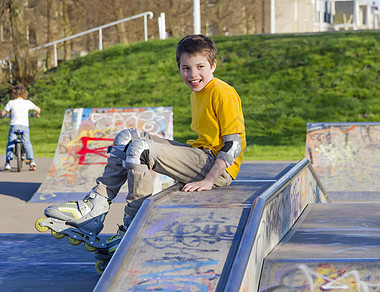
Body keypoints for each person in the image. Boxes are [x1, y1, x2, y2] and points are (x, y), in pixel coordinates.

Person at [39, 34, 246, 261]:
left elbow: (233, 144)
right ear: (179, 68)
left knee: (141, 149)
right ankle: (96, 208)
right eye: (186, 68)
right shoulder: (198, 93)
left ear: (213, 65)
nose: (193, 75)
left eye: (200, 67)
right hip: (200, 155)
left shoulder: (222, 92)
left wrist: (209, 180)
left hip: (216, 167)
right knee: (126, 137)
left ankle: (134, 226)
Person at [1, 85, 41, 171]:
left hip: (14, 126)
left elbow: (3, 112)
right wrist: (35, 114)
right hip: (24, 127)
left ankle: (8, 162)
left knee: (11, 143)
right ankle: (32, 161)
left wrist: (1, 116)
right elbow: (38, 109)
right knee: (27, 143)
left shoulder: (11, 102)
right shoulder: (27, 102)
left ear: (13, 94)